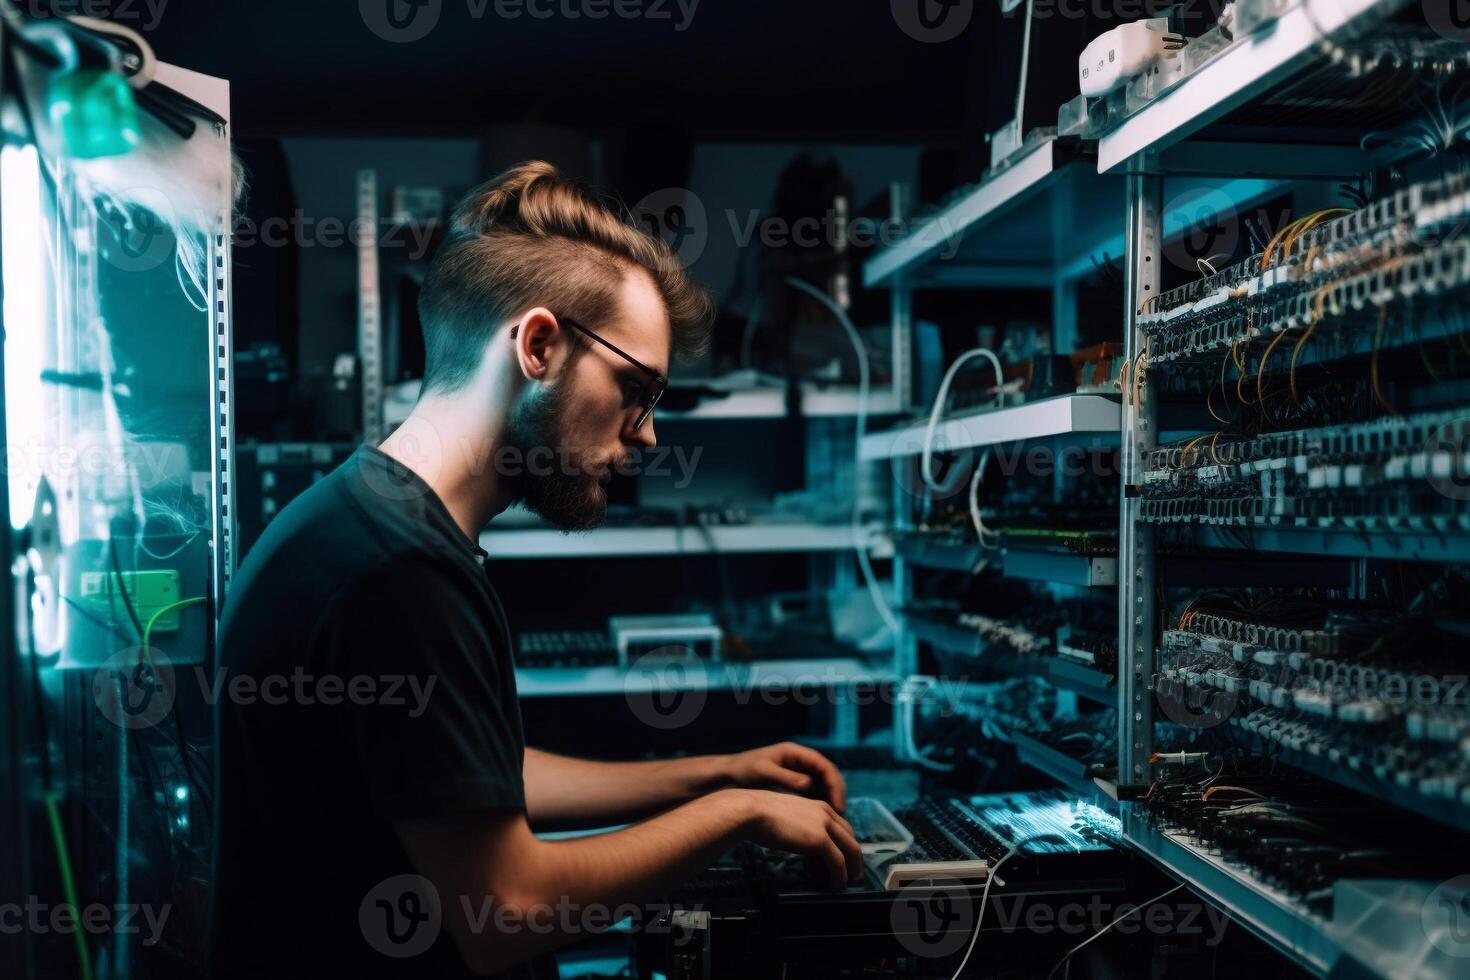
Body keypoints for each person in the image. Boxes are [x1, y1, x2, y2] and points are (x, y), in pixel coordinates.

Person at [209, 161, 863, 979]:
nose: (649, 436)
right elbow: (508, 908)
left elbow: (469, 777)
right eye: (636, 388)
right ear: (540, 344)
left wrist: (714, 773)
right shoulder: (400, 570)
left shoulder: (367, 516)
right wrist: (734, 815)